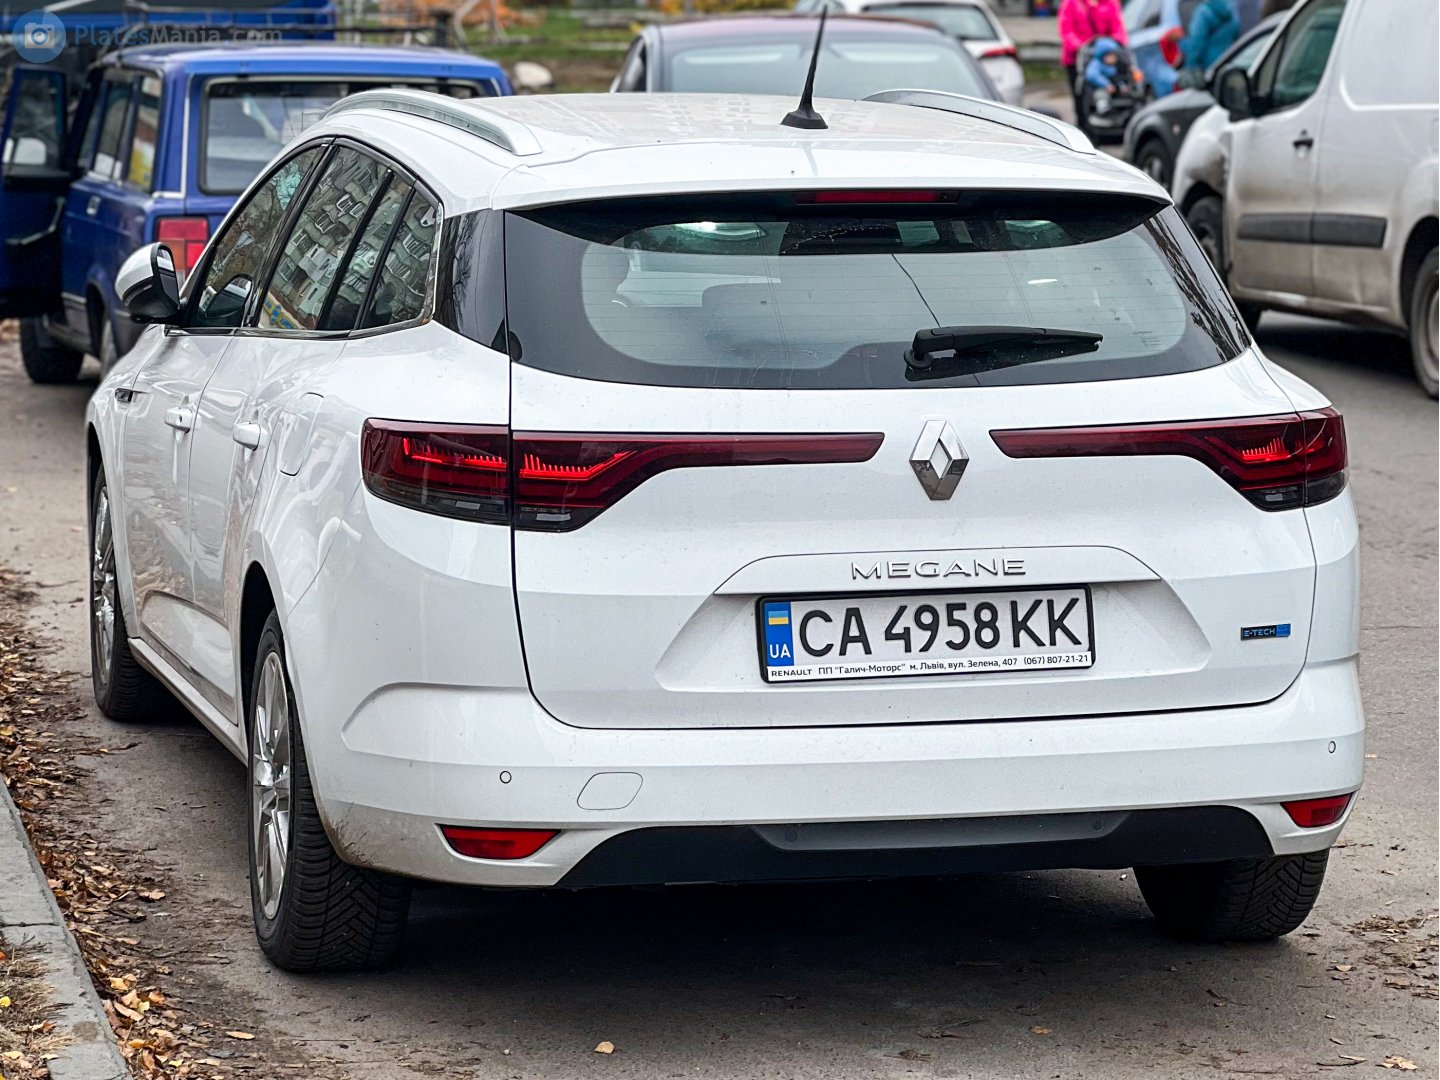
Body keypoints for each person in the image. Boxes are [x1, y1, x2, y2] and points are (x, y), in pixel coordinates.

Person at [1058, 0, 1128, 129]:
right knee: (1080, 97)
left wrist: (1111, 47)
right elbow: (1066, 31)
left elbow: (1118, 30)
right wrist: (1082, 48)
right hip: (1077, 60)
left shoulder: (1110, 3)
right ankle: (1084, 128)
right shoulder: (1071, 3)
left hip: (1105, 59)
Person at [1179, 0, 1241, 84]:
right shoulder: (1231, 9)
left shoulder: (1203, 13)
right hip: (1230, 62)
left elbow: (1197, 44)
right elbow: (1237, 36)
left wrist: (1191, 67)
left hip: (1209, 67)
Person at [1084, 37, 1124, 114]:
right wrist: (1105, 84)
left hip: (1113, 88)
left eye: (1113, 56)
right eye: (1109, 56)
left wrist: (1121, 85)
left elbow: (1117, 78)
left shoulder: (1113, 67)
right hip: (1099, 87)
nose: (1112, 58)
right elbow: (1091, 75)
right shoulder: (1096, 64)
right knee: (1100, 94)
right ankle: (1103, 107)